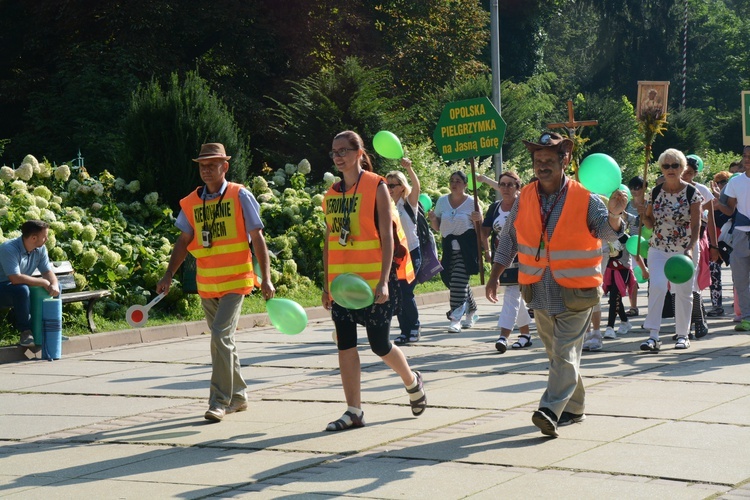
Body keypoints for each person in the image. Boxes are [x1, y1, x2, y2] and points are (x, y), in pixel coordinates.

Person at [486, 132, 627, 437]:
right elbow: (508, 238)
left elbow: (606, 232)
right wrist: (495, 274)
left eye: (549, 160)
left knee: (564, 353)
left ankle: (549, 410)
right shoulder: (525, 198)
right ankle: (574, 408)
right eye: (538, 161)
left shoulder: (584, 197)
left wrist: (615, 216)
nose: (543, 166)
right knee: (558, 355)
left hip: (577, 291)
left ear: (564, 160)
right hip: (538, 290)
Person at [156, 143, 275, 423]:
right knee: (224, 342)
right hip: (208, 282)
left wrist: (266, 277)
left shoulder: (239, 194)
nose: (206, 170)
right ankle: (240, 396)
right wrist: (168, 274)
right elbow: (183, 241)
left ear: (225, 166)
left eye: (212, 165)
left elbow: (257, 237)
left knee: (220, 336)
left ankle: (219, 401)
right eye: (202, 165)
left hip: (237, 279)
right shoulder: (192, 202)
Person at [322, 130, 426, 431]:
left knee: (380, 345)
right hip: (343, 284)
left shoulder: (376, 186)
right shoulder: (332, 194)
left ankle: (412, 380)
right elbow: (329, 240)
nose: (338, 157)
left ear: (358, 153)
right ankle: (354, 411)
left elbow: (388, 236)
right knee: (345, 344)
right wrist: (327, 285)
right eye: (334, 151)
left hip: (375, 282)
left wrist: (383, 280)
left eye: (343, 150)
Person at [637, 149, 703, 351]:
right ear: (661, 169)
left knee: (683, 292)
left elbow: (696, 225)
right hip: (658, 247)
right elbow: (649, 223)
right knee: (657, 286)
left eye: (675, 165)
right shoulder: (656, 192)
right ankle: (653, 335)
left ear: (682, 168)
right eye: (666, 166)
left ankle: (683, 334)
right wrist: (642, 213)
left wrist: (690, 248)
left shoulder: (692, 193)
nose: (670, 169)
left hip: (683, 249)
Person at [477, 171, 534, 353]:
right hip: (502, 258)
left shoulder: (524, 204)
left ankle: (503, 336)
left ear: (518, 187)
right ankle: (525, 334)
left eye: (510, 185)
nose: (505, 188)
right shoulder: (494, 208)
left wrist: (485, 180)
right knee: (514, 295)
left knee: (511, 294)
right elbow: (484, 233)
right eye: (502, 184)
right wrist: (477, 223)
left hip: (523, 257)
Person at [428, 171, 483, 333]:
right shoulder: (442, 201)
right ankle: (471, 310)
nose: (454, 183)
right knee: (453, 282)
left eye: (458, 181)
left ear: (465, 185)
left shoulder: (472, 202)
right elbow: (438, 227)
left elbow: (480, 229)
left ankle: (455, 319)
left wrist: (478, 219)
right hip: (448, 250)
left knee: (458, 282)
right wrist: (432, 219)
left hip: (466, 250)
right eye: (452, 180)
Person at [0, 220, 60, 346]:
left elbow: (47, 271)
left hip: (18, 287)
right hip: (3, 287)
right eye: (45, 236)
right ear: (33, 238)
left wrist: (53, 283)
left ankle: (52, 331)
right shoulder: (8, 249)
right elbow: (15, 278)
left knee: (56, 286)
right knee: (22, 289)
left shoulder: (40, 249)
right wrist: (43, 282)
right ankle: (25, 333)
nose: (47, 239)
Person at [682, 155, 719, 339]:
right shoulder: (671, 189)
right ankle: (684, 326)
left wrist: (714, 246)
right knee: (677, 283)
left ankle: (699, 321)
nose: (686, 175)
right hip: (675, 240)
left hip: (697, 240)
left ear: (695, 173)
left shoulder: (702, 190)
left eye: (690, 172)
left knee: (694, 280)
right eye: (684, 171)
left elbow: (710, 220)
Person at [386, 160, 422, 345]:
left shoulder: (409, 203)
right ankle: (404, 331)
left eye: (392, 185)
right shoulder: (386, 206)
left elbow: (417, 186)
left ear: (401, 187)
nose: (389, 188)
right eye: (387, 185)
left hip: (412, 253)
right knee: (397, 294)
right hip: (396, 256)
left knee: (406, 292)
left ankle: (414, 327)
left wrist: (409, 168)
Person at [721, 145, 750, 332]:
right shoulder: (735, 182)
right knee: (740, 280)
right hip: (740, 233)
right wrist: (715, 204)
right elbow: (730, 210)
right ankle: (747, 318)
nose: (747, 159)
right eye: (745, 156)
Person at [706, 170, 732, 316]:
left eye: (724, 182)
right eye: (718, 182)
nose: (721, 185)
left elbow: (730, 214)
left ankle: (740, 305)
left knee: (738, 275)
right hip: (715, 242)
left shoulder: (732, 200)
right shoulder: (712, 201)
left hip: (730, 242)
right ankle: (717, 306)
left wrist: (719, 202)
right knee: (714, 273)